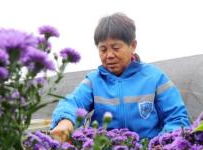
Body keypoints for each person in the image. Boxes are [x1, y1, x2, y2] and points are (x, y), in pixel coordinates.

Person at [50, 12, 190, 142]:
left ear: (133, 46)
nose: (109, 55)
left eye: (116, 48)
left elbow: (177, 118)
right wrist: (65, 120)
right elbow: (73, 102)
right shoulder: (94, 81)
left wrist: (160, 147)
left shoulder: (155, 78)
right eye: (103, 49)